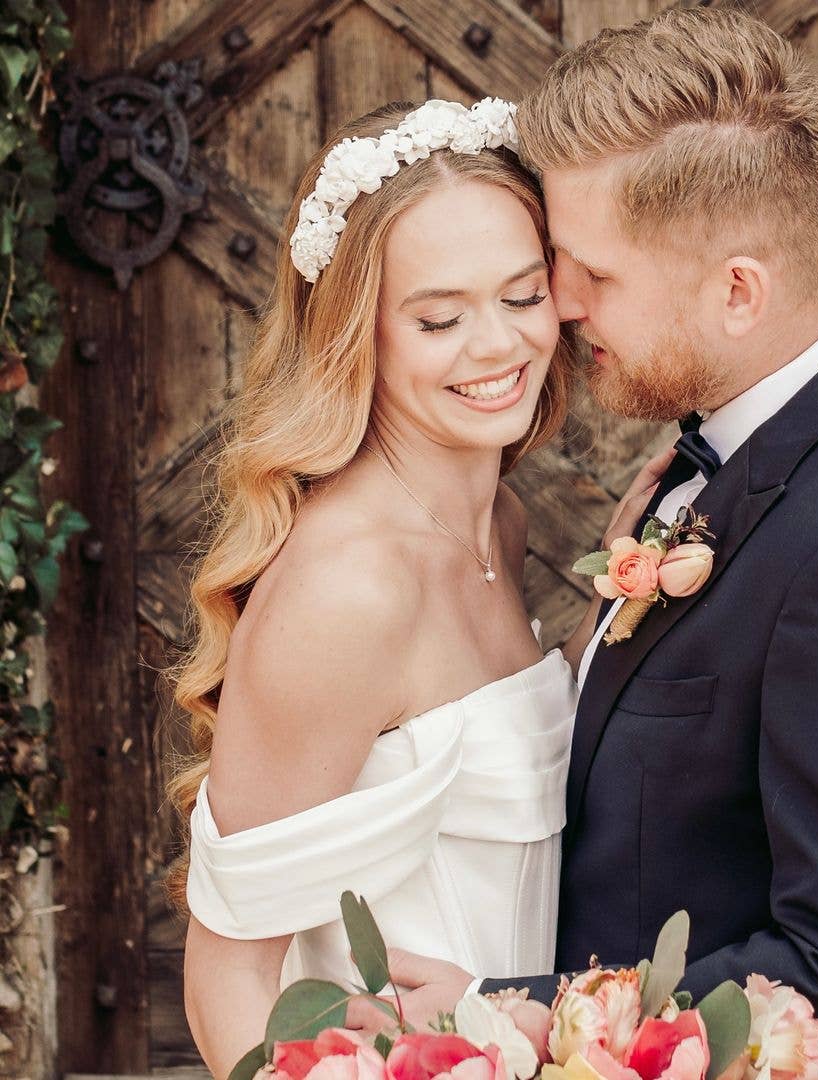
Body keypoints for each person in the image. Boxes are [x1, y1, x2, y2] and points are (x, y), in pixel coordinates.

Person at [361, 9, 818, 1078]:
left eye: (594, 275)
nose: (557, 308)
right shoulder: (732, 442)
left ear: (738, 292)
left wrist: (504, 1013)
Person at [166, 97, 645, 1078]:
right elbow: (229, 977)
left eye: (521, 296)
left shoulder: (498, 527)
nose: (499, 347)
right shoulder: (349, 590)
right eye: (438, 317)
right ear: (359, 333)